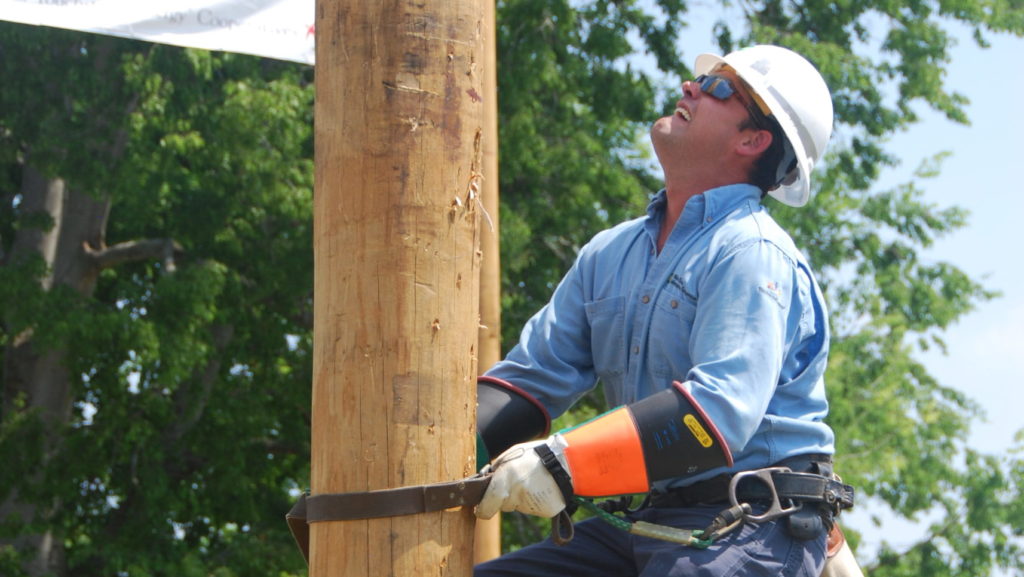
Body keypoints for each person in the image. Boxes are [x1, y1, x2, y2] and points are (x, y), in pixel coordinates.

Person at [472, 44, 853, 577]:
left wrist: (564, 462)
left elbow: (715, 415)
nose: (689, 87)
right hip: (652, 524)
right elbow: (530, 384)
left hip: (750, 529)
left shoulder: (749, 252)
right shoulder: (611, 253)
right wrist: (427, 455)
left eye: (720, 87)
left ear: (752, 139)